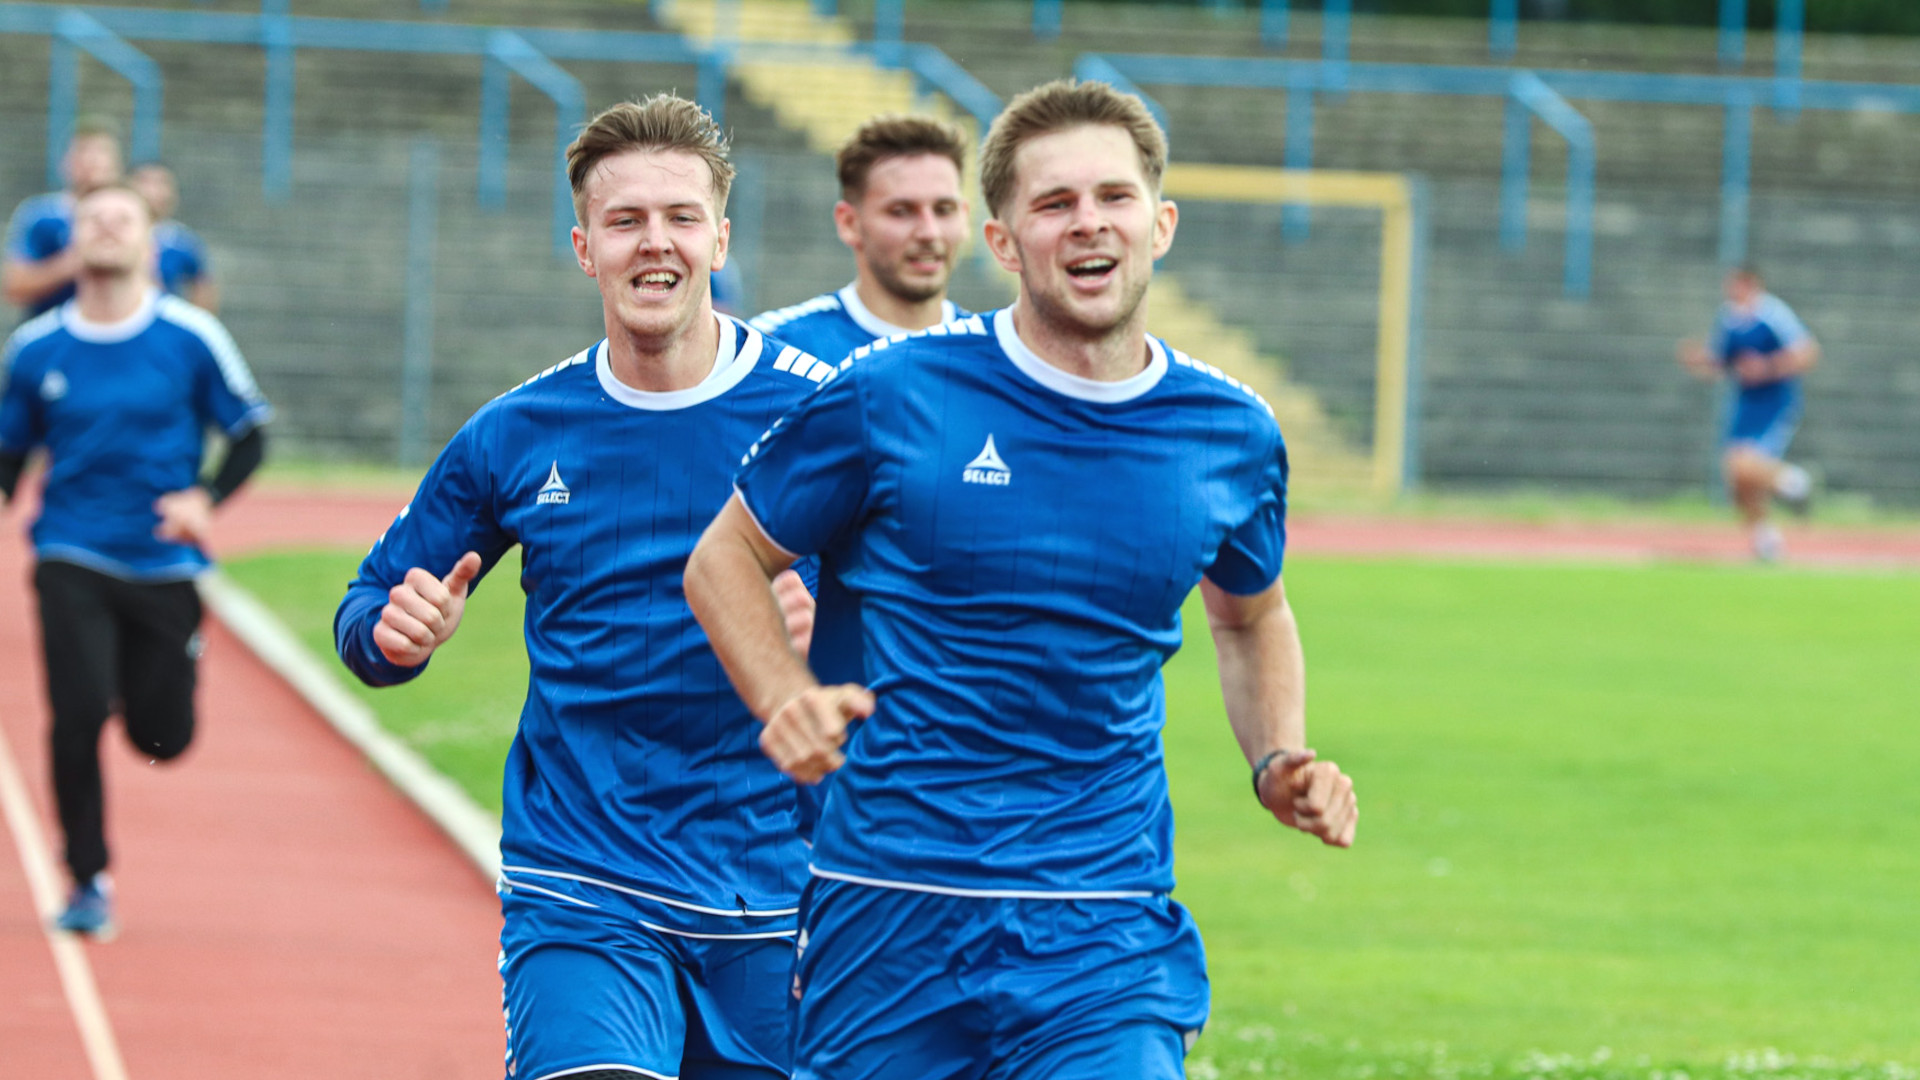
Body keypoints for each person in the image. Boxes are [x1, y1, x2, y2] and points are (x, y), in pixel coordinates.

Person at [684, 79, 1359, 1080]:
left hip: (1104, 920)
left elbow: (1250, 617)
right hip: (890, 904)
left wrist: (1278, 758)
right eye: (1053, 204)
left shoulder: (1232, 434)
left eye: (1114, 198)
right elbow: (725, 556)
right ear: (1002, 242)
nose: (1088, 223)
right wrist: (783, 696)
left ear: (1160, 222)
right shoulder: (890, 394)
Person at [332, 95, 823, 1080]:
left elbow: (943, 617)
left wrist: (837, 630)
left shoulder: (822, 413)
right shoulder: (518, 431)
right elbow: (368, 606)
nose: (657, 242)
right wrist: (394, 632)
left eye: (682, 217)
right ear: (583, 246)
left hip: (780, 895)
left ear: (719, 239)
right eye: (625, 220)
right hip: (585, 883)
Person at [0, 182, 272, 938]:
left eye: (122, 219)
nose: (106, 230)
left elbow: (250, 433)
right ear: (73, 241)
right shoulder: (36, 349)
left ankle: (163, 669)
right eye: (93, 220)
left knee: (162, 739)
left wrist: (205, 500)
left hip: (163, 562)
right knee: (76, 712)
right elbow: (9, 453)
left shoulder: (190, 337)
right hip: (70, 549)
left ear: (150, 245)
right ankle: (86, 876)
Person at [748, 113, 972, 362]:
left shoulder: (994, 353)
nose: (929, 232)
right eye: (901, 211)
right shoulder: (772, 350)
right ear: (849, 223)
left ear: (965, 216)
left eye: (944, 210)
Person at [1678, 265, 1819, 561]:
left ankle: (1793, 481)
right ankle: (1765, 539)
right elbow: (1721, 362)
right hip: (1745, 403)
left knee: (1744, 464)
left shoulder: (1773, 315)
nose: (1730, 292)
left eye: (1736, 285)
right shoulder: (1729, 319)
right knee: (1736, 477)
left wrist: (1767, 368)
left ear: (1751, 285)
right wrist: (1698, 360)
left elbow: (1807, 353)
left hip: (1774, 401)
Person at [4, 118, 124, 320]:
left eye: (101, 152)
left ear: (117, 164)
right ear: (65, 163)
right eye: (83, 151)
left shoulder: (132, 216)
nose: (91, 160)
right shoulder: (41, 215)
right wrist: (72, 263)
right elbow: (14, 287)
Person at [128, 162, 219, 313]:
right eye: (145, 182)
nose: (153, 191)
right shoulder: (108, 233)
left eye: (162, 183)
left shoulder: (182, 241)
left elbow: (203, 286)